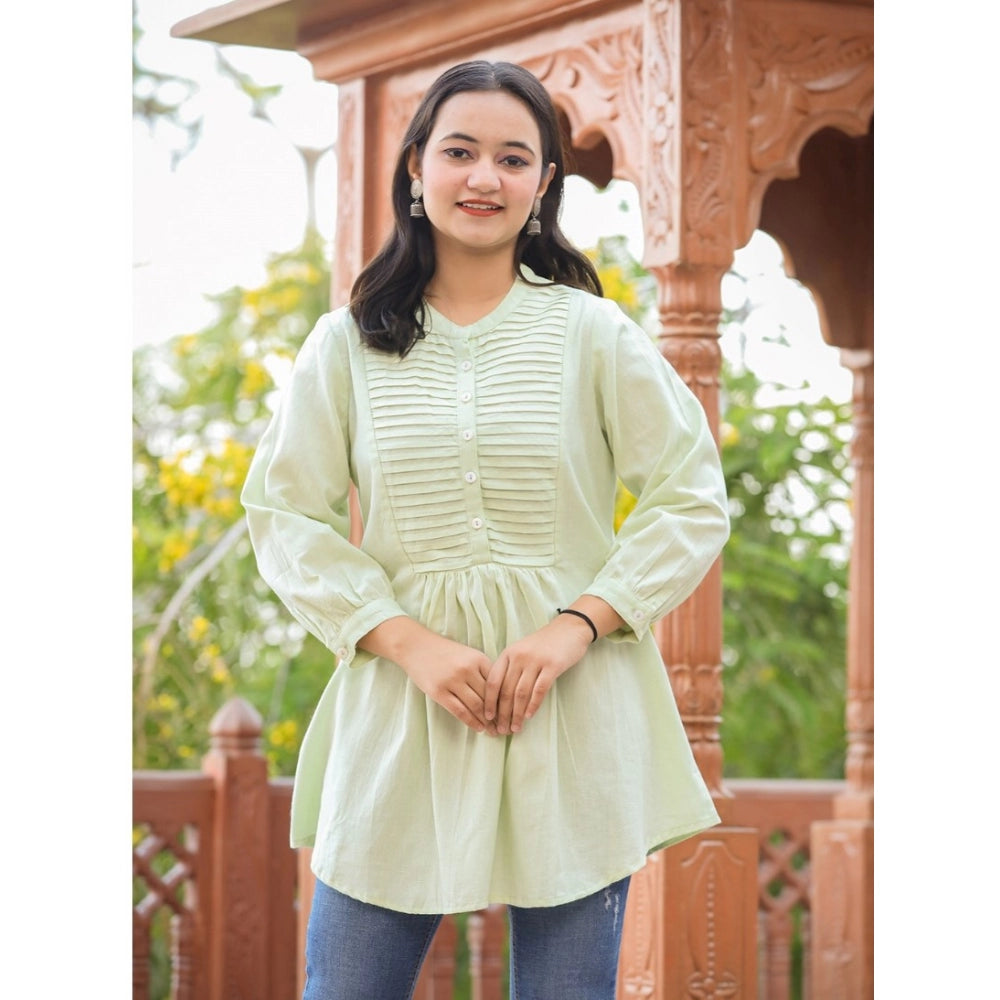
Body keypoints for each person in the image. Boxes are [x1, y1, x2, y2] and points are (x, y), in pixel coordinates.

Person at [241, 59, 730, 1000]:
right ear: (417, 167)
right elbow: (284, 512)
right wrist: (408, 643)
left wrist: (575, 626)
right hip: (403, 706)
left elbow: (691, 493)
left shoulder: (595, 334)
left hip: (573, 710)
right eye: (460, 152)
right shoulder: (344, 346)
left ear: (543, 184)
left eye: (513, 159)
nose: (484, 178)